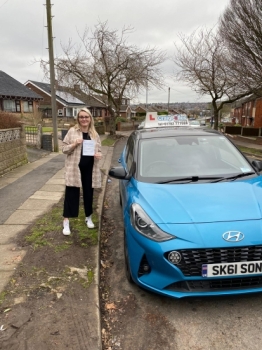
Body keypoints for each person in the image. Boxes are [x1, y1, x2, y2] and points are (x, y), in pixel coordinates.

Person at [62, 107, 102, 235]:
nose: (84, 119)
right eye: (81, 117)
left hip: (89, 169)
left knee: (89, 193)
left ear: (90, 119)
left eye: (86, 117)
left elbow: (99, 150)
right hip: (75, 168)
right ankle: (66, 222)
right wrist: (74, 144)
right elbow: (64, 149)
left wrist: (98, 155)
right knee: (71, 193)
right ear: (78, 119)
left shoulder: (94, 134)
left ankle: (88, 217)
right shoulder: (72, 131)